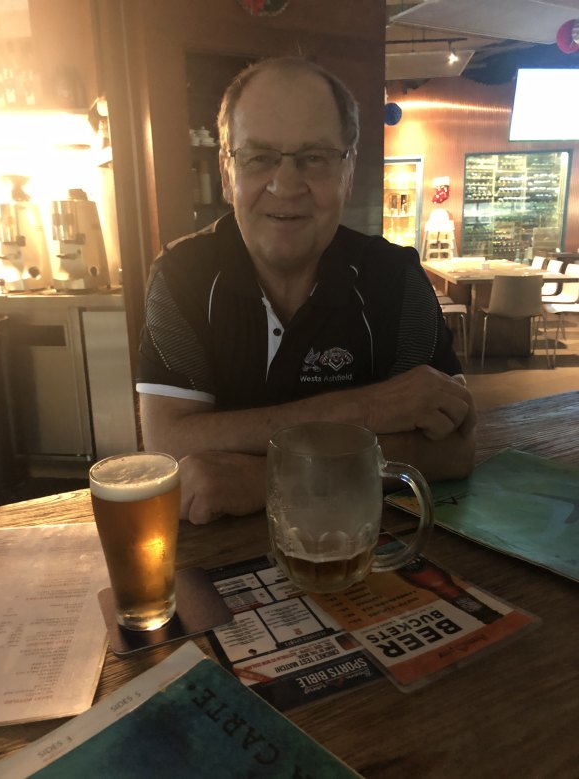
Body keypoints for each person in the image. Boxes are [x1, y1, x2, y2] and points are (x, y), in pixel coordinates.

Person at [136, 56, 476, 524]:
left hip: (365, 554)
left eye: (313, 158)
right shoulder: (182, 276)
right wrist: (370, 409)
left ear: (349, 169)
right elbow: (168, 443)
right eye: (259, 158)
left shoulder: (395, 279)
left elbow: (452, 451)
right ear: (226, 170)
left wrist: (268, 479)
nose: (286, 184)